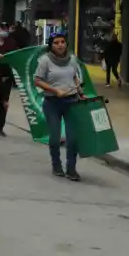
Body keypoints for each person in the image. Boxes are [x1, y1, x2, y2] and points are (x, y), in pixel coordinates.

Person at [34, 32, 84, 181]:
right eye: (56, 42)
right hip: (52, 103)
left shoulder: (73, 59)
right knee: (55, 138)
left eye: (62, 42)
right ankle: (56, 165)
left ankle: (71, 169)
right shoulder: (45, 61)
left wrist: (80, 91)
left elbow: (74, 76)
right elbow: (37, 80)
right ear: (51, 45)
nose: (60, 45)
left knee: (73, 139)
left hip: (72, 101)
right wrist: (55, 90)